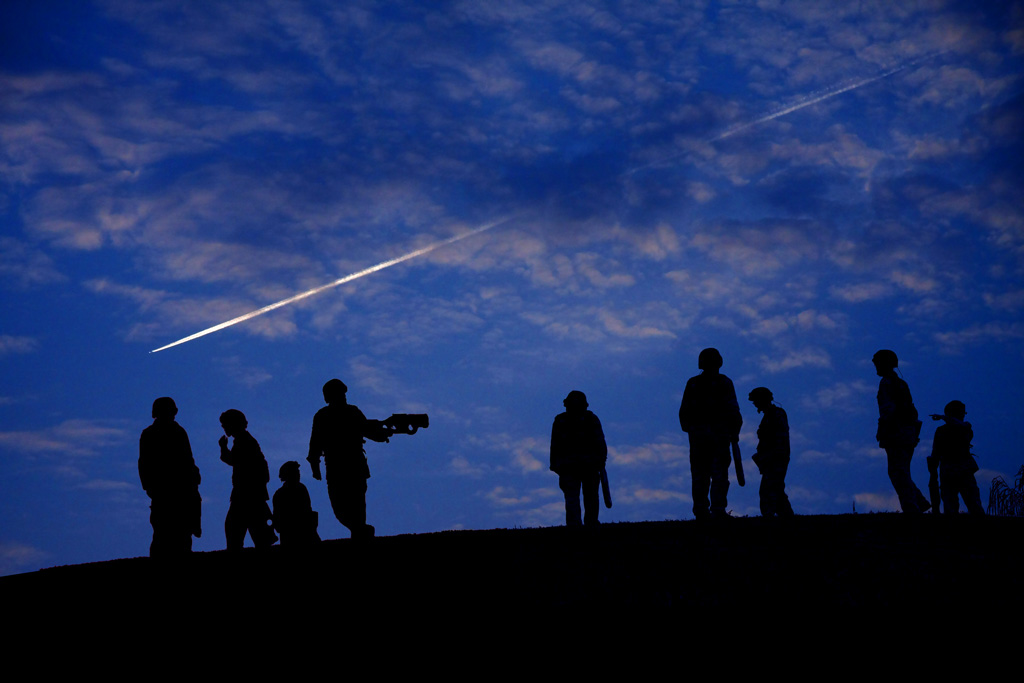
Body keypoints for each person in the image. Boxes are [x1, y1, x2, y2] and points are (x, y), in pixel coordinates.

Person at [306, 379, 390, 539]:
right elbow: (315, 443)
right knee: (340, 509)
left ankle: (361, 533)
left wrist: (383, 434)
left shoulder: (352, 412)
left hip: (353, 466)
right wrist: (314, 465)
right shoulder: (322, 416)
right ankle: (362, 531)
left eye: (343, 393)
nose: (343, 396)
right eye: (340, 393)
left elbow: (368, 431)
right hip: (337, 467)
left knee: (356, 508)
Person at [679, 348, 742, 520]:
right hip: (707, 438)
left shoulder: (719, 382)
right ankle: (707, 510)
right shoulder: (699, 383)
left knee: (714, 475)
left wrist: (733, 430)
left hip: (714, 437)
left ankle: (713, 510)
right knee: (705, 476)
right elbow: (684, 413)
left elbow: (732, 410)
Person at [139, 397, 202, 558]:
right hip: (165, 491)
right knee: (163, 534)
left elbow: (187, 459)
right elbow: (145, 463)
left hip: (179, 491)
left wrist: (193, 477)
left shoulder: (177, 431)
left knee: (180, 534)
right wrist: (150, 487)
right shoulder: (152, 434)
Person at [872, 349, 930, 514]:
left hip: (896, 433)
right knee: (900, 470)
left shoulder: (887, 383)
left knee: (898, 472)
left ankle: (912, 507)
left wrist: (885, 429)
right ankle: (919, 502)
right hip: (906, 433)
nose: (876, 366)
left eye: (877, 363)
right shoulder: (900, 384)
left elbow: (889, 411)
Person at [219, 409, 277, 550]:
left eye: (225, 424)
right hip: (249, 494)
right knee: (245, 531)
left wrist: (223, 448)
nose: (224, 427)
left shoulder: (244, 441)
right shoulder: (244, 440)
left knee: (236, 530)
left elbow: (234, 460)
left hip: (246, 494)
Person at [549, 390, 608, 527]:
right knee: (574, 499)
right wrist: (556, 465)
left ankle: (589, 523)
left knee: (589, 497)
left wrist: (600, 462)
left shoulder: (590, 419)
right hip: (571, 467)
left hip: (587, 465)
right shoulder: (561, 421)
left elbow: (600, 443)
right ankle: (577, 525)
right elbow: (555, 445)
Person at [929, 401, 985, 516]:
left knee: (973, 504)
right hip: (950, 470)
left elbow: (959, 426)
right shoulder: (942, 430)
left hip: (959, 470)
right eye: (961, 412)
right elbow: (936, 452)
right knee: (950, 506)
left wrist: (944, 417)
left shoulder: (965, 427)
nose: (964, 415)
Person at [748, 387, 794, 518]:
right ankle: (786, 516)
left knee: (768, 489)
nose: (755, 404)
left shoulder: (777, 414)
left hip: (776, 458)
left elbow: (779, 438)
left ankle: (769, 515)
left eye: (756, 400)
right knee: (776, 489)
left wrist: (772, 457)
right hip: (771, 458)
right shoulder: (769, 415)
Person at [272, 461, 321, 548]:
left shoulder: (298, 489)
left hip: (305, 532)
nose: (298, 474)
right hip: (293, 535)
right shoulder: (284, 493)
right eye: (295, 472)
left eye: (298, 472)